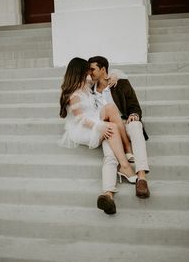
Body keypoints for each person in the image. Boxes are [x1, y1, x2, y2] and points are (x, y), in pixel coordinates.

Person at [59, 57, 137, 214]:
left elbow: (110, 73)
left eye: (90, 69)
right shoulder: (74, 94)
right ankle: (125, 165)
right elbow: (80, 118)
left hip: (94, 117)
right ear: (80, 72)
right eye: (86, 70)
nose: (89, 72)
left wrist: (114, 76)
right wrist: (98, 126)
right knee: (111, 127)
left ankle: (125, 154)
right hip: (84, 127)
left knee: (109, 108)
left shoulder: (86, 84)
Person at [88, 56, 150, 200]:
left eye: (93, 69)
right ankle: (108, 195)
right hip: (109, 128)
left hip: (125, 123)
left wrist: (134, 114)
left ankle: (141, 177)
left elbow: (134, 104)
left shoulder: (120, 83)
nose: (90, 72)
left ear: (103, 69)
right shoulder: (90, 90)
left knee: (136, 125)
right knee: (109, 155)